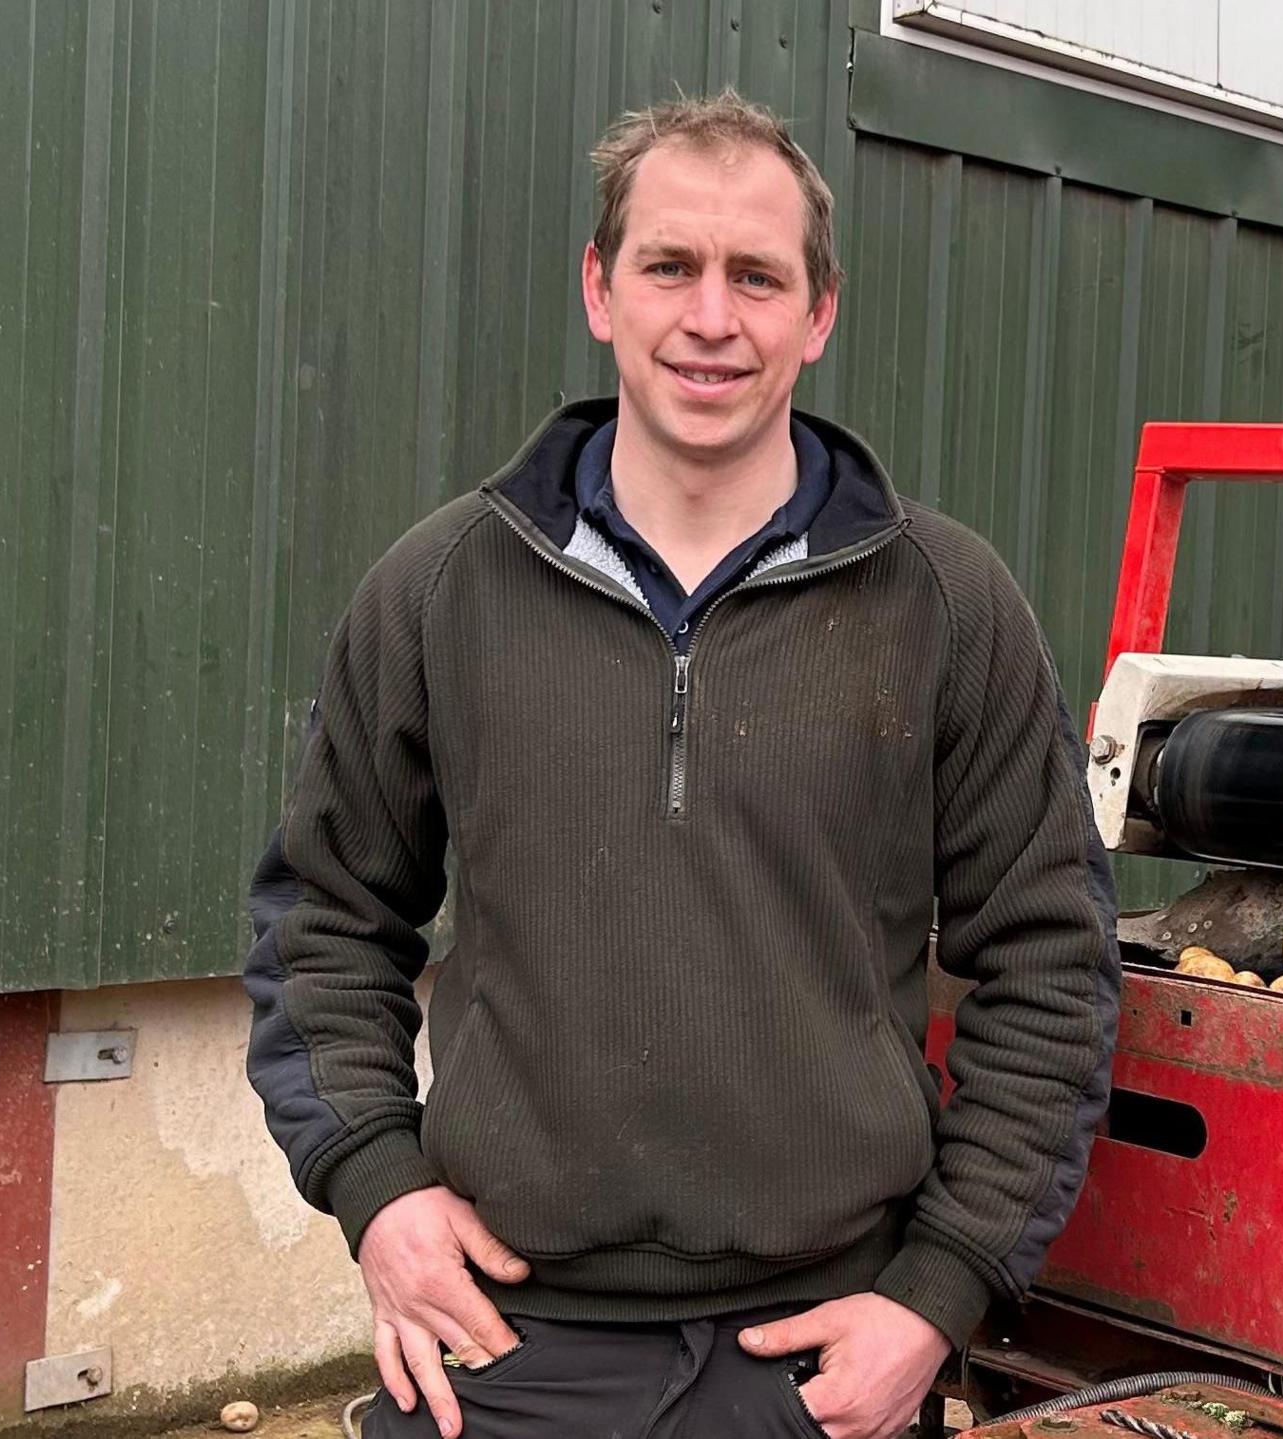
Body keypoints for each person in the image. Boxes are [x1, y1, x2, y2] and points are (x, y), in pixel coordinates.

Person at [245, 90, 1119, 1439]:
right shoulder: (440, 590)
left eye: (757, 277)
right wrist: (377, 1188)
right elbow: (324, 920)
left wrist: (937, 1296)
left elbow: (1052, 963)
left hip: (822, 1360)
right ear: (601, 290)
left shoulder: (946, 604)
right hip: (506, 1344)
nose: (712, 317)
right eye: (670, 266)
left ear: (817, 315)